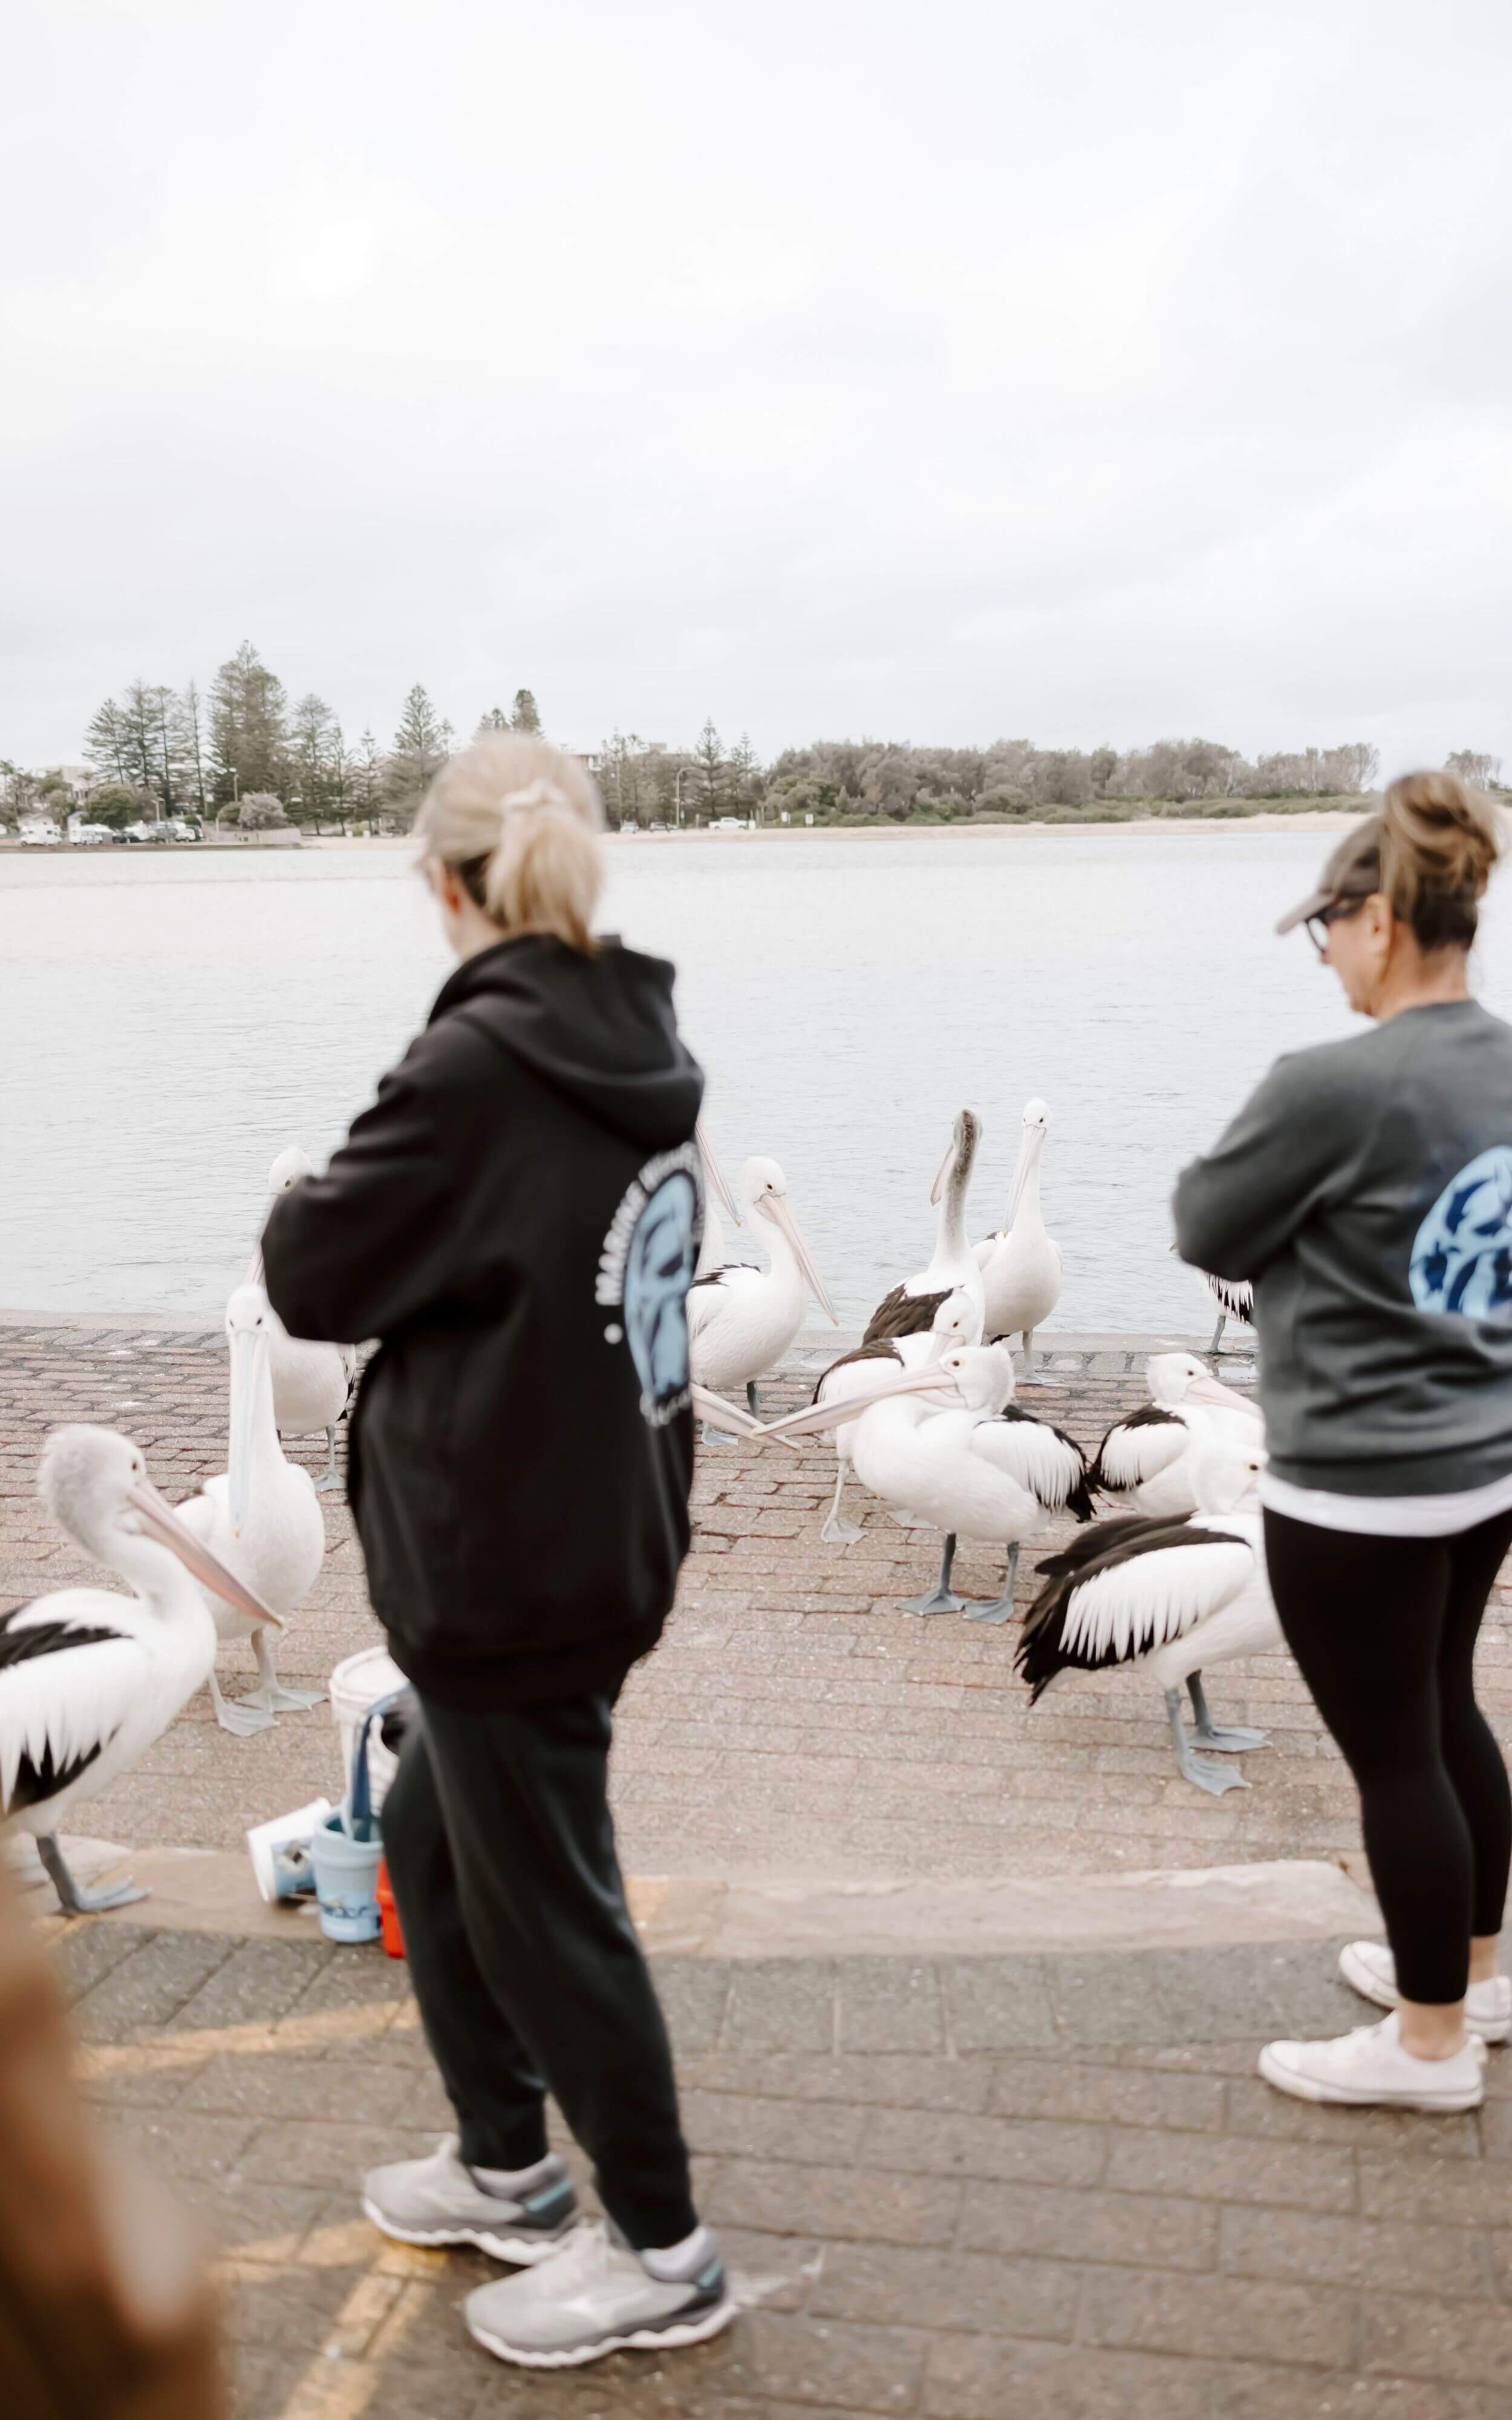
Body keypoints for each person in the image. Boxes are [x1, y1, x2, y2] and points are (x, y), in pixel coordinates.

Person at [261, 734, 734, 2367]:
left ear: (445, 883)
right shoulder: (632, 1038)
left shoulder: (482, 1064)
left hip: (510, 1567)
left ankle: (664, 2250)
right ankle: (509, 2167)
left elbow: (315, 1271)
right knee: (429, 1837)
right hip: (590, 1526)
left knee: (547, 1902)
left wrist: (324, 1187)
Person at [1175, 770, 1512, 2114]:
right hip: (1484, 1461)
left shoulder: (1328, 1082)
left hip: (1358, 1489)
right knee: (1445, 1709)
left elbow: (1204, 1226)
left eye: (1324, 926)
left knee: (1392, 1755)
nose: (1322, 955)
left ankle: (1428, 2045)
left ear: (1376, 919)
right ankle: (1475, 1971)